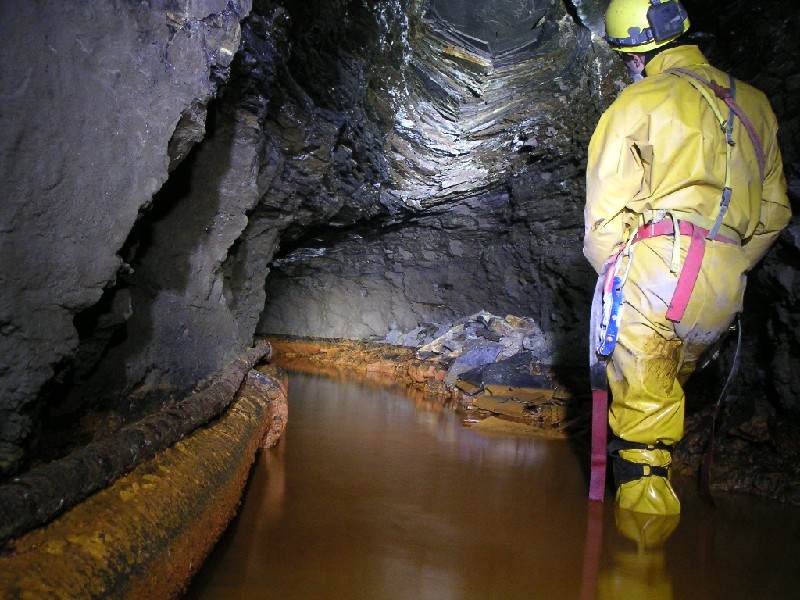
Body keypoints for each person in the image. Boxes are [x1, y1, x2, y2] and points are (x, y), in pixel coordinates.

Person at [584, 0, 791, 515]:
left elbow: (604, 222)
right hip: (725, 284)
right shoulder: (757, 106)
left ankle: (640, 564)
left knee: (643, 440)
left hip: (657, 269)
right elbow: (774, 214)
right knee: (665, 404)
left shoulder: (640, 100)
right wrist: (732, 263)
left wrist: (620, 285)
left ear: (632, 56)